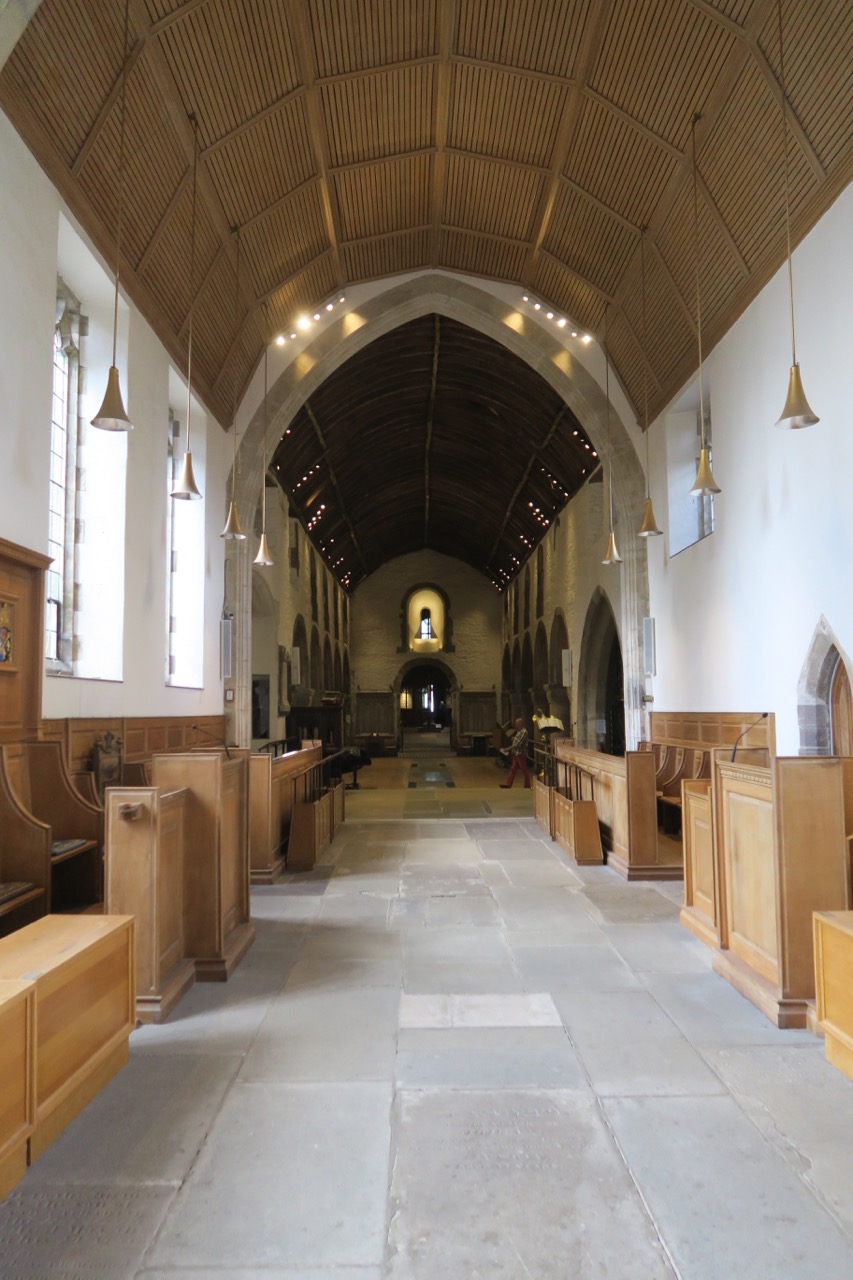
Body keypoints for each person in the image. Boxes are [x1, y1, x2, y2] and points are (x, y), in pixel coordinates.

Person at [500, 717, 531, 789]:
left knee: (524, 769)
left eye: (517, 723)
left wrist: (508, 749)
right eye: (516, 724)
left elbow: (518, 744)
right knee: (513, 769)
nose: (516, 725)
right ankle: (508, 784)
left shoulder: (524, 732)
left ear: (521, 724)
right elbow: (517, 741)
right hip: (516, 753)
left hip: (520, 753)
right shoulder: (519, 731)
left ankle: (527, 785)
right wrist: (514, 738)